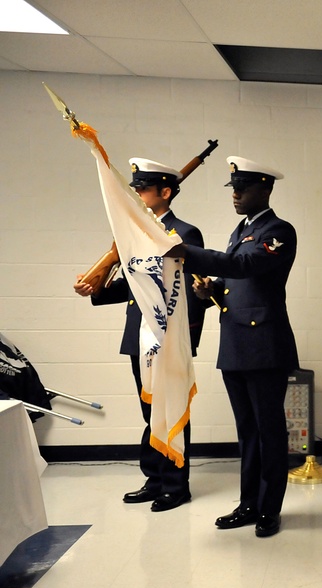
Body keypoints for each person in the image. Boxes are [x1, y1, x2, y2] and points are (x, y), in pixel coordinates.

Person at [166, 156, 298, 538]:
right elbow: (235, 283)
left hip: (265, 346)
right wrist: (212, 291)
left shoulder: (278, 231)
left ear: (266, 189)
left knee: (269, 430)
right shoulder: (240, 229)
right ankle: (248, 504)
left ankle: (269, 510)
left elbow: (244, 267)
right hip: (237, 343)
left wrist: (184, 251)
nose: (236, 194)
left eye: (243, 188)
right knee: (248, 431)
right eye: (234, 188)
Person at [74, 158, 205, 512]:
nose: (137, 194)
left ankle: (176, 486)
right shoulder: (133, 231)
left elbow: (191, 292)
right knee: (149, 412)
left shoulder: (183, 234)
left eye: (143, 188)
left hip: (168, 339)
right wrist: (96, 289)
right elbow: (135, 286)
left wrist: (184, 341)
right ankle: (155, 478)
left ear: (165, 192)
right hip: (139, 335)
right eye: (136, 188)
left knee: (171, 406)